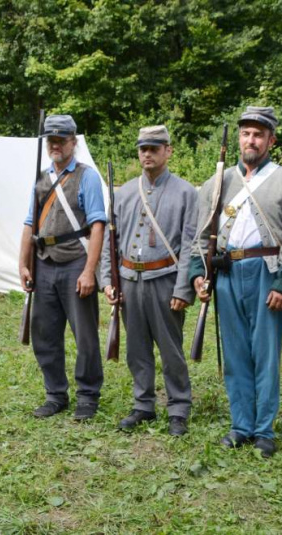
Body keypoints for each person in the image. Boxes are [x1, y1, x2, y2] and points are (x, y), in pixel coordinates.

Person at [190, 106, 282, 457]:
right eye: (245, 133)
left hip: (266, 273)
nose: (250, 140)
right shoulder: (218, 181)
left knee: (265, 356)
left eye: (258, 134)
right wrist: (199, 272)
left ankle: (264, 430)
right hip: (226, 274)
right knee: (236, 354)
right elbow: (200, 233)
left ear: (271, 140)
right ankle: (240, 425)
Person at [100, 125, 198, 434]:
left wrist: (183, 288)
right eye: (143, 148)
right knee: (136, 349)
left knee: (171, 350)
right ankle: (143, 405)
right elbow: (109, 243)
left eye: (155, 148)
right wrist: (107, 280)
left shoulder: (186, 193)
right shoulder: (125, 192)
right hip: (130, 281)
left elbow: (191, 244)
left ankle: (178, 407)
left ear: (168, 151)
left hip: (166, 279)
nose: (148, 153)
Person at [18, 114, 107, 420]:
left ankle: (87, 396)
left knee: (85, 335)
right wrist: (23, 264)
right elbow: (30, 223)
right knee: (45, 334)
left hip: (75, 263)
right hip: (44, 263)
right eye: (51, 140)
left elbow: (97, 226)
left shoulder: (87, 176)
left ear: (73, 141)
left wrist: (89, 271)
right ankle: (55, 394)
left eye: (61, 139)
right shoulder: (40, 178)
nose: (55, 145)